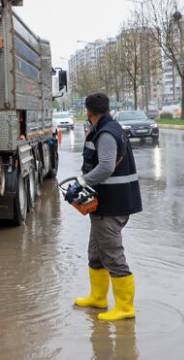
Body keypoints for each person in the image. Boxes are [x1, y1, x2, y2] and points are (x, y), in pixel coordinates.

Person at [65, 93, 142, 320]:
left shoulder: (107, 133)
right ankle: (98, 298)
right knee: (96, 252)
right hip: (106, 205)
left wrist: (81, 182)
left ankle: (125, 308)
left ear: (89, 113)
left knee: (112, 255)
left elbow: (106, 167)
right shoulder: (109, 128)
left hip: (112, 205)